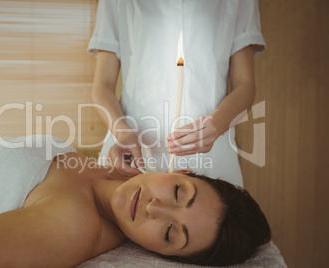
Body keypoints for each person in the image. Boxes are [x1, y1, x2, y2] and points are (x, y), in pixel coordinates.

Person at [0, 136, 271, 267]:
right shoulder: (112, 175)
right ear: (180, 169)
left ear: (162, 255)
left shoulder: (71, 228)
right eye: (179, 193)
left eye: (169, 234)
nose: (154, 208)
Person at [89, 0, 266, 186]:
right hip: (131, 153)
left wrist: (217, 123)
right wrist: (122, 131)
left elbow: (245, 85)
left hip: (211, 156)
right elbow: (102, 86)